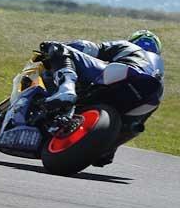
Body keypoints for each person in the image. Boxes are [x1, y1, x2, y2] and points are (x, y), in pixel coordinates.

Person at [39, 30, 164, 166]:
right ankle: (108, 150)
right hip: (149, 99)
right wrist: (106, 148)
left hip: (126, 72)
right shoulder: (158, 74)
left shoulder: (129, 46)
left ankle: (66, 89)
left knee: (58, 48)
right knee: (132, 124)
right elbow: (132, 128)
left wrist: (58, 47)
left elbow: (89, 48)